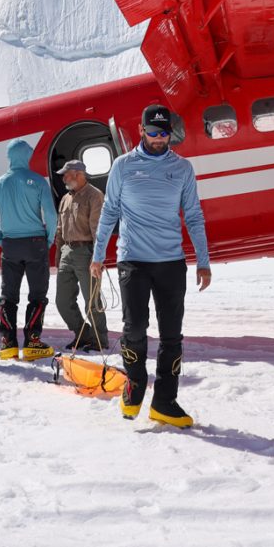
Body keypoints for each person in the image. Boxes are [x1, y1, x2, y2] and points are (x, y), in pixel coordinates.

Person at [91, 104, 211, 428]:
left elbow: (195, 216)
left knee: (172, 335)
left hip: (171, 262)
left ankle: (165, 401)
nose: (160, 140)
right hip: (133, 260)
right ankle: (135, 385)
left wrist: (203, 260)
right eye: (154, 133)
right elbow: (109, 213)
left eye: (165, 133)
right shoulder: (123, 167)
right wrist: (98, 255)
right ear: (142, 131)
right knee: (134, 329)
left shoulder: (182, 169)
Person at [0, 141, 59, 360]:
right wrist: (48, 239)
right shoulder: (37, 181)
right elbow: (51, 215)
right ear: (26, 156)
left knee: (8, 295)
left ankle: (8, 343)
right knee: (37, 295)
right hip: (35, 242)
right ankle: (33, 341)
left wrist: (1, 239)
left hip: (10, 244)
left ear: (9, 157)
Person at [53, 159, 108, 352]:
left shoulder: (94, 196)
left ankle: (100, 340)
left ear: (78, 174)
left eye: (66, 174)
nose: (64, 179)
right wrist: (58, 256)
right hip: (66, 252)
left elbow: (98, 229)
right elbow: (59, 230)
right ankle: (83, 334)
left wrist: (98, 258)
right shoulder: (66, 198)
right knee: (62, 301)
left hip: (86, 252)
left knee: (92, 301)